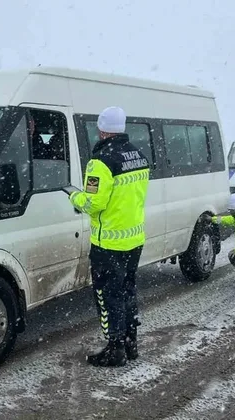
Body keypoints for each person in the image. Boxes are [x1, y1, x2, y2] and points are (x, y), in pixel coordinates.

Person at [69, 106, 150, 367]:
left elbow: (93, 203)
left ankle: (115, 349)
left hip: (109, 243)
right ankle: (130, 343)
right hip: (134, 239)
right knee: (127, 291)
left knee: (108, 295)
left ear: (102, 130)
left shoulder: (101, 162)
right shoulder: (138, 155)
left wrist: (74, 196)